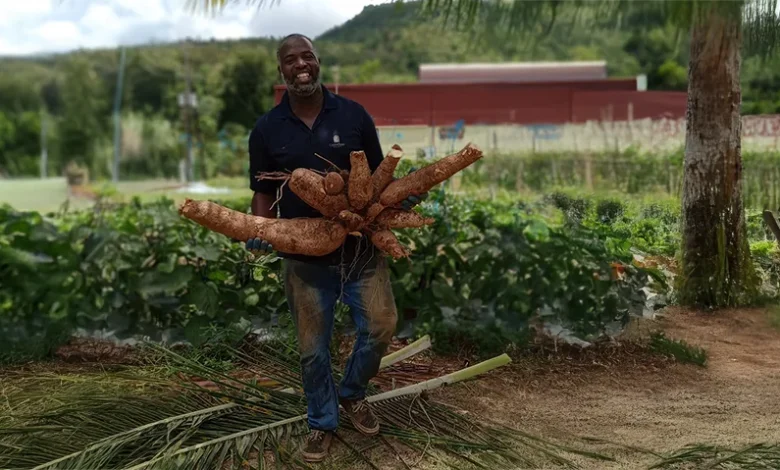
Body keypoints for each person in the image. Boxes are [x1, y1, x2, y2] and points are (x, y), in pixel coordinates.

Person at [245, 33, 424, 463]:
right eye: (291, 59)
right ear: (281, 70)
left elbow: (380, 180)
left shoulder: (353, 115)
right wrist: (258, 229)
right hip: (302, 258)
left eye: (307, 56)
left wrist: (403, 195)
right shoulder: (266, 129)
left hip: (360, 252)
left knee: (382, 326)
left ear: (319, 61)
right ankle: (321, 422)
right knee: (312, 350)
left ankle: (352, 393)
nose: (300, 64)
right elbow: (261, 193)